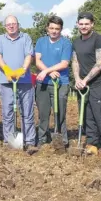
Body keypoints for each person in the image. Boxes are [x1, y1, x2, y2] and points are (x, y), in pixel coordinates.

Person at [0, 15, 37, 154]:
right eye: (8, 24)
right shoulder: (0, 39)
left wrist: (23, 69)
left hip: (24, 81)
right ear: (5, 26)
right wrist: (6, 69)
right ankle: (9, 140)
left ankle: (29, 141)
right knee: (8, 112)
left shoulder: (26, 37)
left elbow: (29, 55)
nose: (11, 26)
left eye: (14, 24)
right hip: (7, 82)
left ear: (18, 25)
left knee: (27, 112)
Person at [72, 12, 101, 158]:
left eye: (86, 24)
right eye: (81, 24)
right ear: (77, 24)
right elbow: (75, 61)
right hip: (83, 84)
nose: (83, 26)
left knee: (100, 114)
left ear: (92, 24)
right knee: (87, 115)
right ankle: (93, 143)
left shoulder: (99, 39)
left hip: (98, 83)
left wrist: (86, 80)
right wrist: (77, 79)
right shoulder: (76, 42)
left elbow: (100, 63)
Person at [34, 15, 72, 148]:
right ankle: (42, 138)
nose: (54, 31)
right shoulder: (41, 41)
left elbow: (64, 63)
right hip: (43, 83)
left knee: (60, 113)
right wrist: (48, 72)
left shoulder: (66, 43)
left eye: (57, 28)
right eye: (52, 28)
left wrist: (46, 71)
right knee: (43, 113)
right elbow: (37, 60)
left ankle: (62, 139)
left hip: (61, 83)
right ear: (47, 28)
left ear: (61, 29)